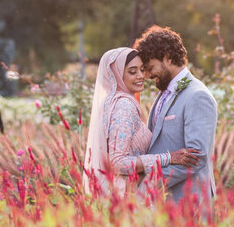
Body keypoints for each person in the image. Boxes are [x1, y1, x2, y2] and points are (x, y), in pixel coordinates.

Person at [83, 46, 200, 195]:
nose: (141, 76)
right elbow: (118, 163)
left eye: (142, 69)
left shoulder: (117, 101)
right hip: (125, 195)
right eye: (132, 71)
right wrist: (168, 158)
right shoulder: (123, 105)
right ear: (116, 74)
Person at [134, 25, 219, 206]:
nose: (147, 75)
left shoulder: (197, 96)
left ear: (167, 57)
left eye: (150, 68)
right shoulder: (163, 93)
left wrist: (147, 186)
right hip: (164, 203)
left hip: (189, 201)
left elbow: (196, 158)